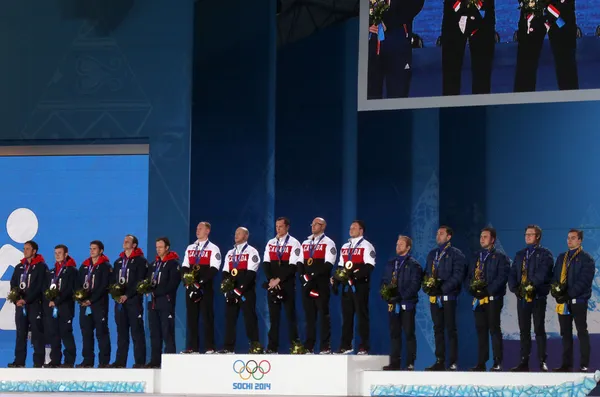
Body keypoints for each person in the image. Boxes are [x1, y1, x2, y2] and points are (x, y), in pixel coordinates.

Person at [508, 225, 554, 372]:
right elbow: (513, 273)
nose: (527, 237)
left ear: (538, 237)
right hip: (522, 298)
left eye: (530, 234)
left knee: (539, 329)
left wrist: (530, 285)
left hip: (537, 296)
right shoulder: (520, 254)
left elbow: (543, 273)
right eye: (526, 234)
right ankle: (524, 361)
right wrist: (515, 289)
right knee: (524, 330)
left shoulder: (545, 254)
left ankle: (542, 361)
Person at [466, 227, 510, 372]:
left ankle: (497, 361)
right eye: (481, 236)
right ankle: (481, 363)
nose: (482, 239)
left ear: (492, 240)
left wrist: (487, 291)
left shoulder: (500, 257)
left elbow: (502, 278)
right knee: (481, 330)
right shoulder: (475, 256)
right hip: (478, 299)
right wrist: (473, 290)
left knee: (494, 329)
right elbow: (469, 277)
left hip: (493, 298)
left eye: (485, 236)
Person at [552, 229, 595, 372]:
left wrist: (568, 294)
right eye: (568, 238)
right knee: (565, 333)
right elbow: (555, 277)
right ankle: (566, 364)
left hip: (578, 302)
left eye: (573, 238)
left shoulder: (586, 259)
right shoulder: (561, 258)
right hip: (563, 302)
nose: (569, 240)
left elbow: (584, 281)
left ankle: (584, 364)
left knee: (581, 332)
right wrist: (556, 292)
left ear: (580, 240)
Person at [424, 226, 466, 371]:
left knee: (450, 329)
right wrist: (428, 288)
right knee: (437, 329)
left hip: (449, 296)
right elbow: (426, 273)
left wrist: (442, 288)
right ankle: (439, 360)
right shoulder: (432, 254)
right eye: (437, 233)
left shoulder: (456, 254)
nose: (438, 236)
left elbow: (458, 275)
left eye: (441, 234)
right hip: (435, 297)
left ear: (449, 237)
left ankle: (453, 361)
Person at [513, 0, 578, 92]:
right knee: (526, 65)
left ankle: (571, 102)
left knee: (566, 63)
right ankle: (522, 103)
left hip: (561, 9)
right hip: (532, 8)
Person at [367, 0, 425, 99]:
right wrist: (367, 21)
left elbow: (416, 3)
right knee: (370, 98)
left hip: (398, 39)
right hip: (369, 43)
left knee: (398, 97)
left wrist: (388, 22)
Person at [382, 235, 422, 371]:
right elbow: (384, 281)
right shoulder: (391, 263)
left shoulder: (414, 265)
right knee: (394, 333)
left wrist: (400, 296)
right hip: (393, 305)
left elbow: (415, 285)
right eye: (397, 244)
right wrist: (387, 296)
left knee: (409, 333)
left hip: (407, 305)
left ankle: (410, 363)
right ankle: (395, 362)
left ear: (408, 247)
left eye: (401, 244)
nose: (397, 246)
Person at [335, 220, 376, 355]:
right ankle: (345, 345)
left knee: (361, 315)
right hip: (347, 286)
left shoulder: (367, 246)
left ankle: (364, 345)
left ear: (361, 231)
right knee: (347, 317)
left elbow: (369, 266)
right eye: (350, 227)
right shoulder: (345, 246)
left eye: (354, 228)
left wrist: (354, 275)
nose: (351, 229)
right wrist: (337, 280)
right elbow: (341, 266)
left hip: (360, 286)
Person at [263, 217, 303, 353]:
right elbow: (266, 264)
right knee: (274, 318)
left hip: (287, 285)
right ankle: (272, 347)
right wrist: (271, 280)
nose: (278, 229)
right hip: (272, 284)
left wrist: (278, 280)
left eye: (280, 226)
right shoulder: (271, 243)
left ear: (287, 227)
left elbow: (293, 266)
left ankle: (295, 345)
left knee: (290, 316)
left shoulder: (294, 243)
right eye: (276, 226)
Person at [220, 227, 262, 354]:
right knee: (230, 319)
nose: (236, 235)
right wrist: (228, 290)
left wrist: (239, 290)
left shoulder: (252, 251)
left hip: (246, 292)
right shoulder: (230, 253)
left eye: (239, 233)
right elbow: (226, 272)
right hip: (232, 292)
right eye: (235, 233)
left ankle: (255, 346)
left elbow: (251, 274)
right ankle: (228, 348)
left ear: (246, 236)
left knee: (250, 318)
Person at [181, 222, 222, 354]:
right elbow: (184, 266)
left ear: (207, 231)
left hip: (205, 288)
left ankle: (210, 347)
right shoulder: (190, 247)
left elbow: (214, 268)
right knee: (192, 317)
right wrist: (188, 282)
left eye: (200, 228)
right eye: (197, 228)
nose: (197, 230)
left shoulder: (213, 248)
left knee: (207, 317)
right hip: (191, 287)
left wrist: (199, 283)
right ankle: (193, 347)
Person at [441, 0, 496, 95]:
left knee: (482, 72)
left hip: (483, 14)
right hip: (453, 15)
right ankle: (450, 107)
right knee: (451, 72)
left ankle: (481, 107)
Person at [299, 217, 337, 354]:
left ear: (323, 226)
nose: (313, 226)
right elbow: (300, 263)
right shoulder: (305, 243)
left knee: (323, 315)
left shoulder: (329, 243)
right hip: (307, 284)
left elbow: (328, 265)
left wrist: (312, 276)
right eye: (312, 223)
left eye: (317, 224)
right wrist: (303, 278)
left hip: (321, 284)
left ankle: (325, 346)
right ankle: (308, 345)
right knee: (309, 316)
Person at [8, 240, 47, 368]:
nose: (25, 251)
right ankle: (19, 361)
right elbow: (13, 283)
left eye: (27, 249)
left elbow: (39, 287)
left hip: (34, 305)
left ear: (34, 251)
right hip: (20, 305)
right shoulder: (19, 267)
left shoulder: (41, 267)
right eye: (24, 248)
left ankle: (38, 362)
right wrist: (17, 298)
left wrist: (27, 299)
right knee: (20, 333)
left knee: (36, 334)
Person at [111, 235, 148, 368]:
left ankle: (139, 362)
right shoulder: (118, 262)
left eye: (128, 241)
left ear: (134, 245)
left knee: (136, 332)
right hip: (120, 303)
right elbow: (113, 282)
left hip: (133, 301)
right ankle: (120, 362)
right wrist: (116, 295)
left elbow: (139, 281)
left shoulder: (141, 261)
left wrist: (127, 295)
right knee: (121, 333)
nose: (124, 241)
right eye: (124, 239)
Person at [146, 237, 181, 368]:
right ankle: (155, 361)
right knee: (154, 333)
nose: (158, 250)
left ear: (167, 248)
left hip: (166, 302)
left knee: (167, 332)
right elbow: (148, 281)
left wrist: (156, 292)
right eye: (156, 247)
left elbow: (172, 285)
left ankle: (170, 363)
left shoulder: (174, 264)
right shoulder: (153, 264)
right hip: (153, 303)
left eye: (160, 247)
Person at [76, 240, 111, 368]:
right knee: (86, 333)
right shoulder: (84, 266)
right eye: (90, 248)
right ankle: (87, 360)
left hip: (98, 305)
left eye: (94, 249)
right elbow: (78, 284)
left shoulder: (105, 266)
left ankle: (104, 361)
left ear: (101, 251)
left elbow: (104, 286)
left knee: (101, 333)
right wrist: (81, 299)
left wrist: (92, 300)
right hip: (85, 306)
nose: (92, 251)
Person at [43, 245, 77, 368]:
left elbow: (69, 289)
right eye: (55, 253)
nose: (57, 255)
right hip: (52, 308)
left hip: (65, 307)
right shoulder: (52, 272)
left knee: (66, 333)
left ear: (66, 254)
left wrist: (56, 300)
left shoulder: (71, 270)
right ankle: (55, 360)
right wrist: (50, 299)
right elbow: (47, 289)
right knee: (53, 334)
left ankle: (69, 361)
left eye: (60, 253)